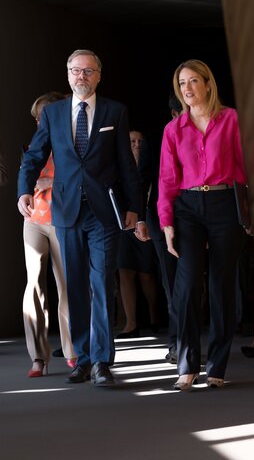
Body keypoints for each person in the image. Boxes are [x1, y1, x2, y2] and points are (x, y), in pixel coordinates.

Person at [17, 49, 146, 387]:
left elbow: (125, 163)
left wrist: (135, 207)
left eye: (88, 71)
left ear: (98, 76)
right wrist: (23, 190)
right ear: (68, 74)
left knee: (101, 283)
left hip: (104, 212)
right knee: (74, 285)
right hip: (67, 211)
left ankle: (103, 361)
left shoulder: (115, 111)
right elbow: (33, 155)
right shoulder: (54, 114)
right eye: (75, 70)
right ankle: (84, 359)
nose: (81, 77)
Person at [158, 59, 247, 390]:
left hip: (225, 204)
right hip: (188, 207)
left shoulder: (232, 120)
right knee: (188, 283)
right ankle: (186, 364)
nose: (187, 89)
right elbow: (167, 179)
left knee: (222, 285)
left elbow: (244, 167)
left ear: (208, 84)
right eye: (182, 83)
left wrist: (247, 213)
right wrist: (166, 223)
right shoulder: (173, 129)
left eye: (193, 81)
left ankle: (217, 366)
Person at [22, 92, 77, 377]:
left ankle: (72, 351)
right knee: (33, 285)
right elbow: (25, 176)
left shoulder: (71, 140)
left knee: (67, 286)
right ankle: (38, 358)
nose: (40, 119)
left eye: (45, 113)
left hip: (63, 220)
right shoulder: (34, 144)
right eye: (36, 116)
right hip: (34, 219)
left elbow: (81, 175)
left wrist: (49, 180)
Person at [145, 93, 182, 363]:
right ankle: (177, 344)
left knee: (193, 285)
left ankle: (188, 342)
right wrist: (143, 220)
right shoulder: (164, 137)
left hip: (196, 219)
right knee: (171, 287)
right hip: (161, 219)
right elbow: (145, 180)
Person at [116, 130, 160, 337]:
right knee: (125, 272)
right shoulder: (118, 166)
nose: (137, 145)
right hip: (124, 223)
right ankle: (131, 324)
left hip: (147, 222)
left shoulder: (151, 167)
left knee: (146, 274)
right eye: (132, 141)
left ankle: (154, 317)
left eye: (140, 141)